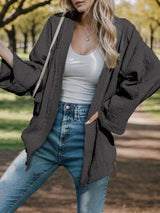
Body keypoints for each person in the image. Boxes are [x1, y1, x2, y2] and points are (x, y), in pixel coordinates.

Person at [0, 0, 160, 213]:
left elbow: (152, 72)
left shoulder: (121, 31)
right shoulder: (56, 25)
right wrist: (4, 51)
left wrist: (109, 110)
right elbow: (36, 77)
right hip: (47, 133)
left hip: (90, 139)